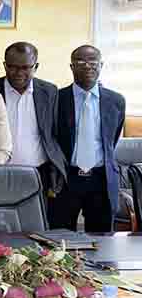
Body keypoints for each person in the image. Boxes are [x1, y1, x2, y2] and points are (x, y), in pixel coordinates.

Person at [0, 42, 66, 203]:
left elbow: (53, 133)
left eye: (25, 67)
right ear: (5, 65)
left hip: (38, 174)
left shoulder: (49, 91)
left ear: (36, 66)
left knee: (36, 218)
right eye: (12, 67)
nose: (19, 73)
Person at [53, 45, 125, 232]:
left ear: (101, 65)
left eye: (93, 61)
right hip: (67, 178)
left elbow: (111, 140)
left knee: (102, 238)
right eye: (80, 61)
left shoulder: (116, 100)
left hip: (101, 178)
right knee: (60, 236)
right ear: (71, 66)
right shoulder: (57, 99)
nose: (87, 66)